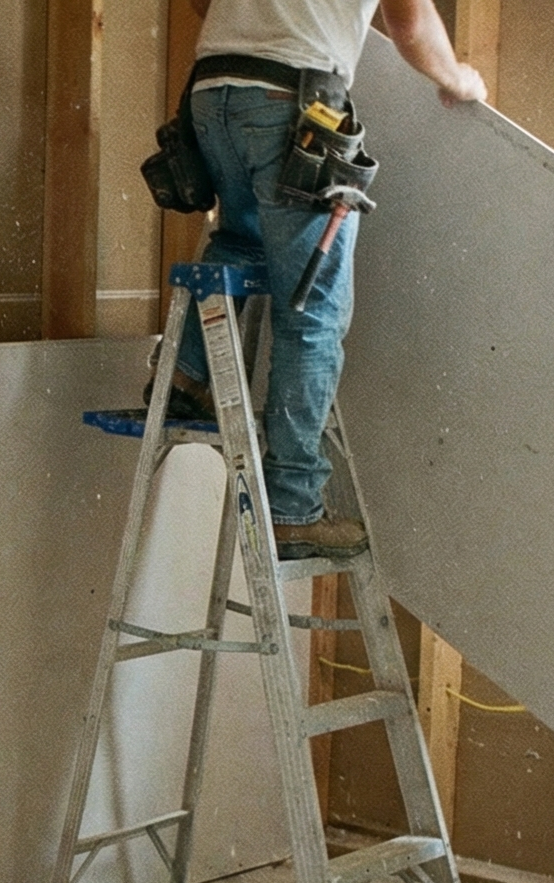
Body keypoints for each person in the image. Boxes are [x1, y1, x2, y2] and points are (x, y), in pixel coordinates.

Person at [166, 0, 485, 558]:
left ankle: (184, 379)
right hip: (291, 98)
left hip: (213, 91)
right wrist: (456, 77)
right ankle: (292, 508)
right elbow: (410, 22)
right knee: (313, 310)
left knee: (242, 238)